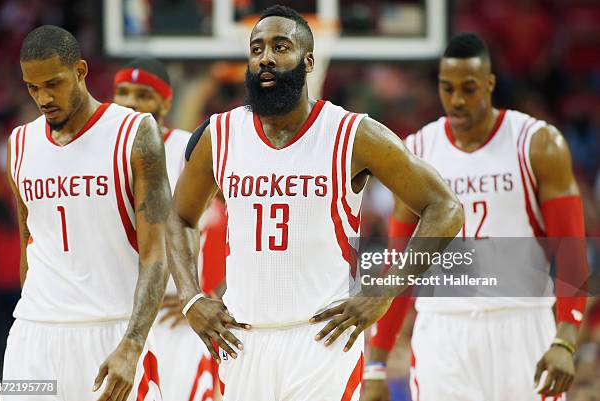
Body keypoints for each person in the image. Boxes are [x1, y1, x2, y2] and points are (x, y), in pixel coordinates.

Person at [167, 6, 463, 401]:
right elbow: (177, 217)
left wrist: (385, 290)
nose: (265, 57)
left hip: (322, 341)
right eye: (256, 49)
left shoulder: (352, 134)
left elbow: (445, 208)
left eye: (280, 46)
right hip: (241, 342)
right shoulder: (220, 135)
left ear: (308, 62)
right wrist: (191, 297)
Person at [362, 33, 588, 401]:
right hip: (444, 331)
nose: (457, 100)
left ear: (490, 84)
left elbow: (571, 252)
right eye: (447, 89)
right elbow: (398, 262)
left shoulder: (537, 143)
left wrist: (565, 338)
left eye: (468, 89)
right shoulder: (417, 152)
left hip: (522, 324)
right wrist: (376, 365)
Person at [2, 26, 171, 401]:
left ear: (80, 71)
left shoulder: (134, 133)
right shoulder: (19, 143)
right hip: (33, 336)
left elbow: (157, 253)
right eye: (32, 88)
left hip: (110, 331)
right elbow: (30, 242)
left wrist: (133, 344)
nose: (43, 98)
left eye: (53, 84)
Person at [113, 58, 219, 401]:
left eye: (143, 95)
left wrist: (210, 291)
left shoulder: (191, 149)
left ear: (165, 103)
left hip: (176, 314)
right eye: (123, 93)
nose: (131, 102)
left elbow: (231, 225)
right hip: (115, 311)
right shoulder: (99, 152)